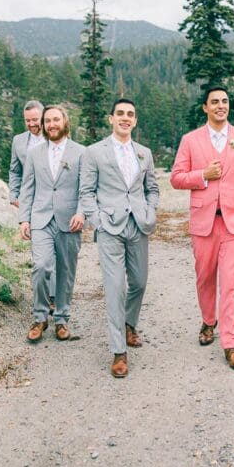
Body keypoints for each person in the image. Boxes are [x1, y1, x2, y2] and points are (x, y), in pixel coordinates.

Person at [170, 86, 234, 371]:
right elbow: (176, 178)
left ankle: (231, 342)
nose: (221, 105)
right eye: (215, 102)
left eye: (225, 101)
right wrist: (203, 176)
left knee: (232, 284)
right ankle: (209, 320)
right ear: (205, 108)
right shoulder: (190, 140)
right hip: (203, 222)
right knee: (205, 277)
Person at [79, 99, 158, 378]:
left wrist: (150, 212)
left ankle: (129, 323)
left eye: (131, 115)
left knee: (139, 282)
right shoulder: (93, 152)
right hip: (109, 228)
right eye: (120, 114)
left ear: (135, 121)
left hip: (138, 224)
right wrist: (97, 220)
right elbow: (86, 192)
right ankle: (119, 351)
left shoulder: (144, 153)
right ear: (110, 118)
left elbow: (152, 188)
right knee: (115, 288)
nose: (125, 118)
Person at [18, 105, 84, 343]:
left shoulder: (81, 152)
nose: (52, 124)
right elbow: (27, 188)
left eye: (56, 119)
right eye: (48, 121)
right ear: (43, 125)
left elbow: (87, 189)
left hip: (70, 221)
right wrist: (24, 218)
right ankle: (39, 317)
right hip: (41, 218)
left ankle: (62, 320)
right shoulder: (35, 153)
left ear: (65, 121)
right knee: (42, 266)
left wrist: (82, 213)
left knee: (66, 273)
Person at [8, 100, 54, 308]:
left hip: (54, 201)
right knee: (40, 253)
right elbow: (15, 170)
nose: (32, 124)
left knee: (55, 251)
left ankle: (53, 295)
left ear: (43, 117)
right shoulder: (19, 141)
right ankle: (45, 297)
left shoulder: (56, 136)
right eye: (28, 121)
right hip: (31, 202)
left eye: (35, 119)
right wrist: (14, 195)